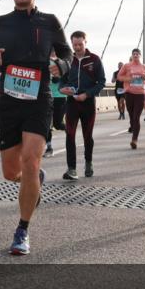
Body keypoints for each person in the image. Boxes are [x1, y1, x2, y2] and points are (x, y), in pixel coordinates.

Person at [0, 0, 70, 255]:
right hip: (7, 100)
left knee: (31, 160)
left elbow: (67, 53)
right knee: (11, 172)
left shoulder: (49, 22)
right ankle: (33, 180)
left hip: (39, 99)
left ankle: (22, 229)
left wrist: (62, 65)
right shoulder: (0, 22)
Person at [57, 31, 106, 179]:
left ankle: (88, 162)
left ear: (86, 42)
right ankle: (71, 169)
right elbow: (61, 80)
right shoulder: (67, 60)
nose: (77, 47)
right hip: (71, 103)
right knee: (70, 134)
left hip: (88, 102)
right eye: (75, 44)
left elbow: (102, 82)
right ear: (71, 44)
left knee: (87, 135)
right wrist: (62, 89)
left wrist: (87, 94)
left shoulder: (94, 59)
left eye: (80, 44)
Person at [117, 49, 145, 149]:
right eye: (134, 54)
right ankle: (132, 126)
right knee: (132, 117)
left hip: (140, 94)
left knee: (136, 117)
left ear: (140, 55)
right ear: (132, 55)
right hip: (129, 93)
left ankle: (134, 140)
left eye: (137, 54)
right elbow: (119, 77)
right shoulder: (127, 66)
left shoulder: (144, 66)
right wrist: (128, 79)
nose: (135, 55)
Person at [44, 53, 67, 157]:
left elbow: (68, 76)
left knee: (58, 124)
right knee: (46, 124)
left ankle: (69, 130)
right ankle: (49, 148)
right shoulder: (42, 62)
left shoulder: (62, 62)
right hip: (46, 96)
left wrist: (61, 78)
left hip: (60, 97)